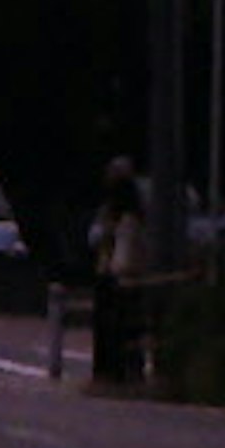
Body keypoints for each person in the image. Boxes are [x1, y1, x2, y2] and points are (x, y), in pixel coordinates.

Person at [87, 149, 150, 387]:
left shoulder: (126, 217)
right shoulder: (116, 213)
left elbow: (99, 239)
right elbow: (94, 238)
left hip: (118, 275)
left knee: (119, 327)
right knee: (118, 327)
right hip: (118, 274)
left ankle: (117, 373)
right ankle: (118, 372)